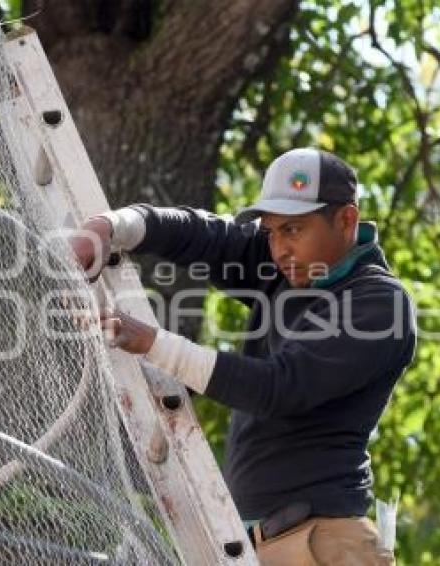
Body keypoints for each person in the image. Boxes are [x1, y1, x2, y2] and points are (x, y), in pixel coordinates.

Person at [70, 148, 416, 565]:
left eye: (293, 229)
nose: (279, 248)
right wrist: (110, 226)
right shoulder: (286, 265)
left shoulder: (380, 303)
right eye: (271, 232)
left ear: (346, 220)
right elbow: (204, 234)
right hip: (254, 544)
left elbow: (277, 387)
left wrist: (151, 343)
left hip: (324, 544)